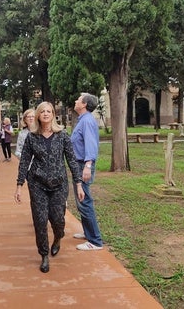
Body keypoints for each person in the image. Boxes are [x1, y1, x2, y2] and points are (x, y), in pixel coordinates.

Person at [14, 102, 84, 273]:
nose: (45, 114)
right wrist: (19, 185)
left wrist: (78, 184)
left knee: (58, 220)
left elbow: (72, 161)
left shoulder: (62, 136)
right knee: (40, 220)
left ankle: (58, 237)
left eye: (48, 111)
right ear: (38, 115)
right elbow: (24, 161)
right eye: (42, 111)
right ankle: (44, 255)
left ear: (53, 114)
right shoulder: (32, 137)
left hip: (58, 184)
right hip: (37, 183)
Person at [70, 93, 103, 251]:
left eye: (78, 99)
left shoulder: (87, 121)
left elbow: (91, 145)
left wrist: (88, 166)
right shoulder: (82, 120)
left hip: (83, 163)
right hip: (79, 163)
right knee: (80, 200)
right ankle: (88, 232)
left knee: (84, 201)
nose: (76, 101)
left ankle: (95, 241)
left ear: (83, 104)